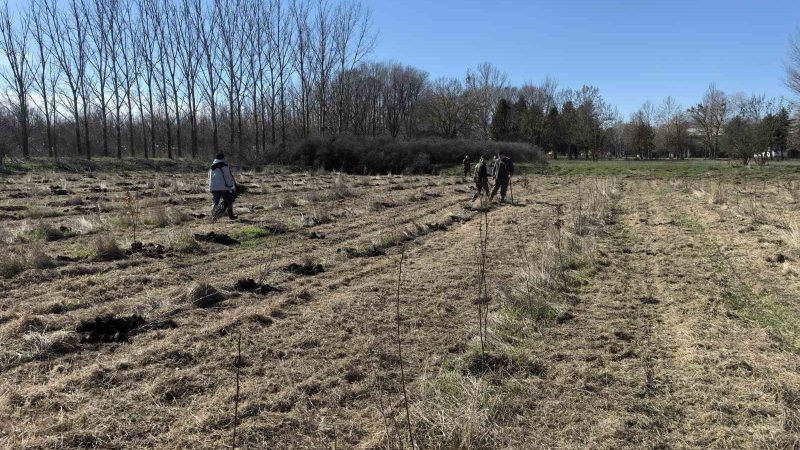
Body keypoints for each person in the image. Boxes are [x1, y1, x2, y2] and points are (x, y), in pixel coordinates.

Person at [208, 153, 237, 220]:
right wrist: (231, 186)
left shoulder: (212, 166)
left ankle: (213, 216)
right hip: (224, 187)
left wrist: (211, 187)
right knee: (229, 200)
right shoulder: (225, 166)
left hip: (213, 188)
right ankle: (231, 215)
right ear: (222, 158)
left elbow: (209, 177)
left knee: (215, 202)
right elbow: (227, 177)